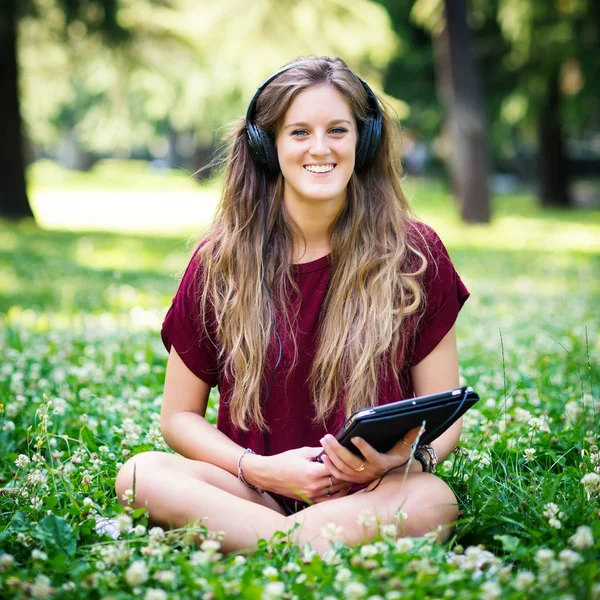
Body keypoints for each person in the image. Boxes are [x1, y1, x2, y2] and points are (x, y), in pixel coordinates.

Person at [115, 56, 469, 555]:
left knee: (434, 499)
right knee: (138, 474)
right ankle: (304, 544)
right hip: (252, 492)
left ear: (362, 142)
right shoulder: (219, 262)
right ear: (268, 146)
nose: (319, 149)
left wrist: (402, 461)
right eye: (299, 132)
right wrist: (258, 469)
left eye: (338, 130)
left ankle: (268, 546)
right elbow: (177, 417)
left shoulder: (416, 254)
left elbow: (447, 412)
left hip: (370, 493)